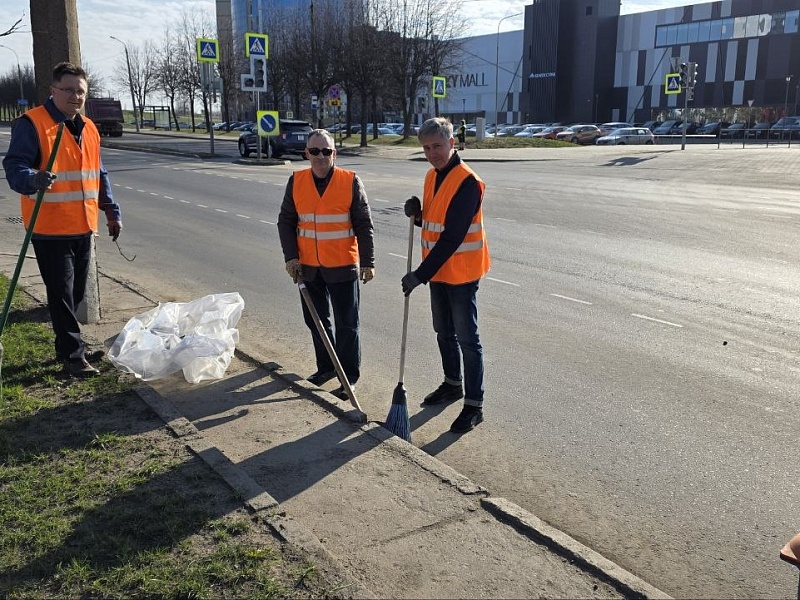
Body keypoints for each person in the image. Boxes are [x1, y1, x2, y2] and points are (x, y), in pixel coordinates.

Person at [3, 62, 122, 378]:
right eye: (68, 89)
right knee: (62, 295)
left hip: (83, 227)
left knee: (76, 294)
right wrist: (34, 178)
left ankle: (72, 346)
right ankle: (72, 356)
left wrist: (111, 211)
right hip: (50, 227)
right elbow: (15, 166)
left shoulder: (89, 128)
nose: (75, 96)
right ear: (53, 90)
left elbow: (99, 174)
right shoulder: (33, 124)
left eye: (80, 91)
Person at [401, 117, 490, 434]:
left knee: (468, 340)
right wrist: (418, 216)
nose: (431, 153)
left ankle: (474, 404)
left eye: (437, 146)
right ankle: (453, 384)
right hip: (439, 272)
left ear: (452, 143)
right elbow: (436, 223)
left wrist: (419, 275)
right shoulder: (431, 176)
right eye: (426, 148)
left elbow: (453, 236)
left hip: (462, 274)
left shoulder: (468, 182)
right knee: (443, 332)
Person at [277, 129, 375, 399]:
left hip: (343, 266)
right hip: (308, 267)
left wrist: (368, 261)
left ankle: (348, 376)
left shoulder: (350, 181)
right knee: (316, 321)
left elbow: (364, 225)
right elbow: (286, 221)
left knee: (347, 324)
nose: (321, 156)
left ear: (335, 153)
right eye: (315, 151)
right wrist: (291, 257)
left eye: (326, 151)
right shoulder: (296, 181)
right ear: (306, 153)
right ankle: (327, 368)